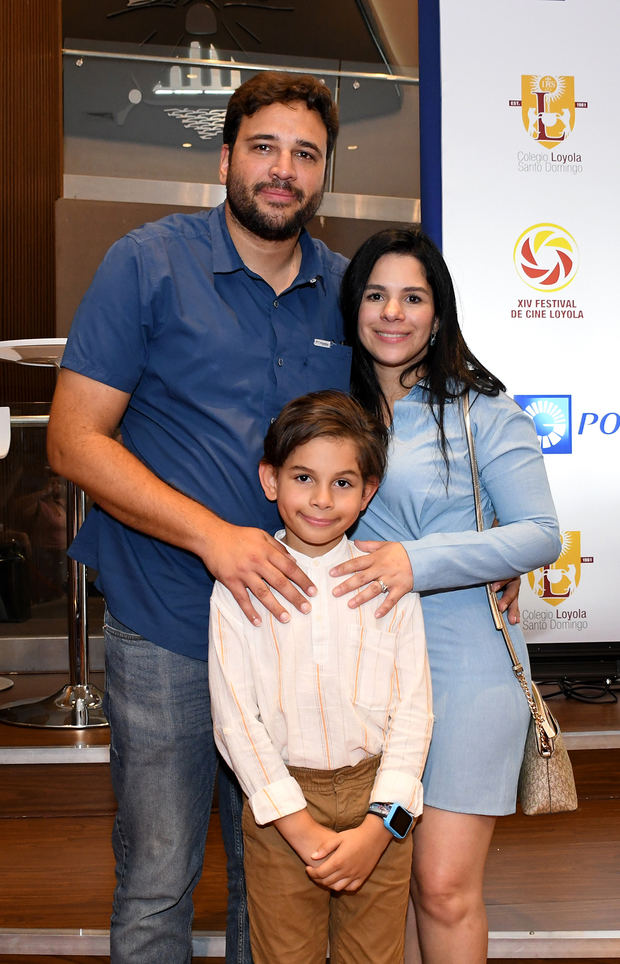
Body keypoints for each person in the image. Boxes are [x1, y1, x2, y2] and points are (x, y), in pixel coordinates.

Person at [46, 71, 351, 964]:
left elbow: (415, 425)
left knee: (277, 880)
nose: (282, 170)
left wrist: (487, 535)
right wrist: (213, 537)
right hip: (167, 624)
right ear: (225, 157)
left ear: (324, 173)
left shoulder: (349, 287)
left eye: (305, 154)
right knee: (158, 876)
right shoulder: (146, 262)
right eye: (264, 147)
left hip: (292, 632)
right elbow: (73, 441)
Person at [327, 227, 561, 964]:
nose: (393, 313)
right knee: (374, 887)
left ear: (439, 313)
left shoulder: (483, 412)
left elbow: (541, 533)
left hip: (465, 674)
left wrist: (416, 560)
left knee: (443, 886)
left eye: (413, 296)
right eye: (376, 294)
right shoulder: (338, 415)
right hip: (363, 675)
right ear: (353, 308)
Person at [209, 390, 433, 964]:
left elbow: (414, 714)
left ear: (368, 491)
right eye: (303, 477)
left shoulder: (386, 582)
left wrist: (383, 828)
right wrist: (299, 828)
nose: (321, 499)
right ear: (270, 479)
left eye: (342, 483)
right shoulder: (240, 586)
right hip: (282, 805)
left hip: (376, 801)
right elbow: (236, 720)